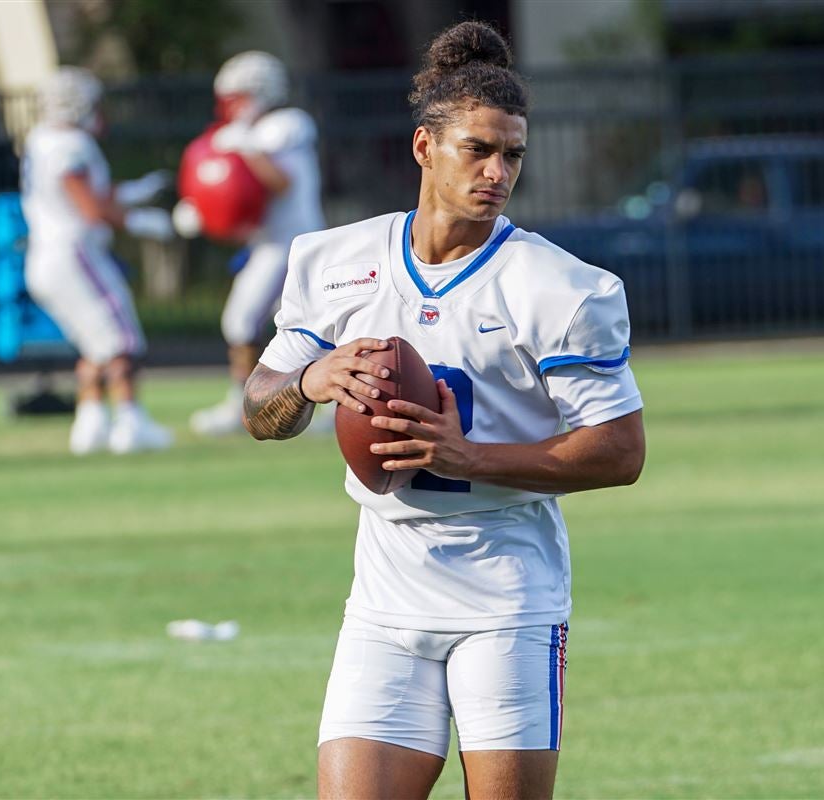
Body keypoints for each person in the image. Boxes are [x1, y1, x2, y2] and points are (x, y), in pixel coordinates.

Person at [243, 21, 645, 799]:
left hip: (508, 599)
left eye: (513, 156)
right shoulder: (334, 263)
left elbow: (621, 453)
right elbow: (259, 410)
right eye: (479, 150)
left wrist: (471, 459)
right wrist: (311, 379)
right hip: (384, 600)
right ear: (425, 147)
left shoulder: (561, 288)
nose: (499, 172)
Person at [21, 66, 176, 455]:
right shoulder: (70, 145)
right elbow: (89, 205)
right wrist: (142, 223)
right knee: (122, 340)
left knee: (95, 345)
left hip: (47, 256)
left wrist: (138, 192)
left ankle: (89, 424)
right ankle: (130, 422)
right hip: (74, 254)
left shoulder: (41, 139)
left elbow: (94, 192)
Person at [187, 51, 327, 436]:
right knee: (297, 329)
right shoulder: (250, 133)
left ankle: (249, 403)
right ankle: (255, 401)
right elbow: (242, 201)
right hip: (271, 241)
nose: (230, 106)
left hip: (292, 244)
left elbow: (280, 184)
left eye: (237, 96)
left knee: (248, 321)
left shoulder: (286, 125)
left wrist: (246, 148)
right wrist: (202, 211)